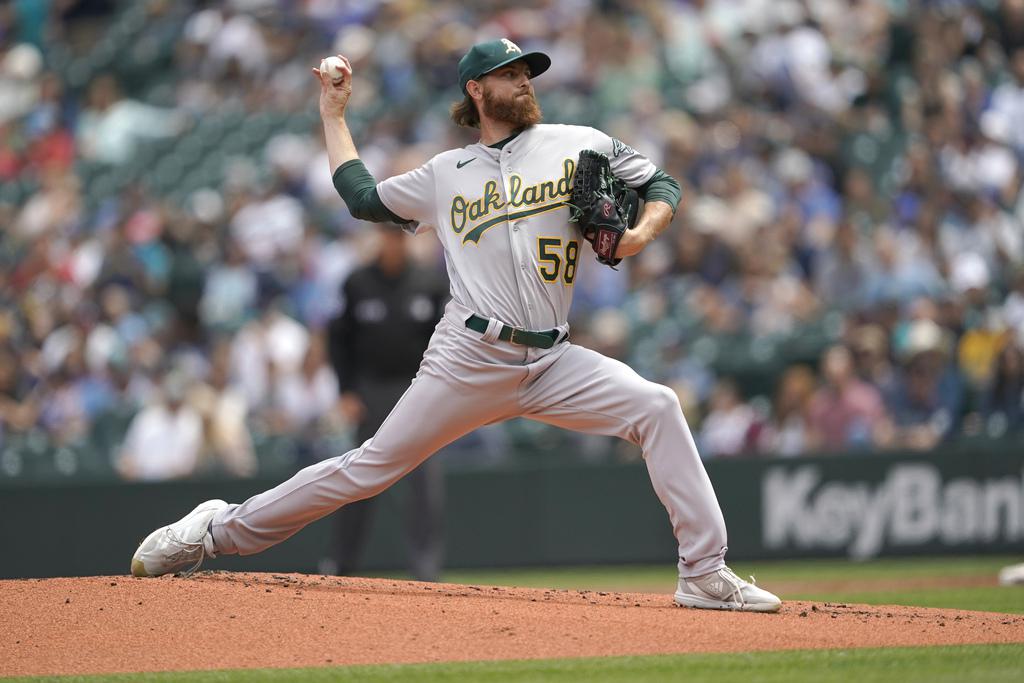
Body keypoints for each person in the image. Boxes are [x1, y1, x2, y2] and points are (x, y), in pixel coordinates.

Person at [131, 39, 781, 612]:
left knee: (658, 406)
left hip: (554, 360)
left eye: (529, 72)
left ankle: (703, 572)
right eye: (510, 73)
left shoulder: (579, 142)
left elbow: (662, 182)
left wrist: (638, 234)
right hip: (467, 356)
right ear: (477, 90)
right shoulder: (447, 173)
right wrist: (333, 116)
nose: (525, 81)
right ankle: (215, 530)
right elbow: (360, 196)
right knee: (368, 469)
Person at [326, 225, 448, 581]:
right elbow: (339, 341)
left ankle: (426, 571)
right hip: (371, 390)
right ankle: (341, 565)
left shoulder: (430, 282)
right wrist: (346, 391)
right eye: (387, 234)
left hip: (416, 389)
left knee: (424, 485)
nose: (392, 241)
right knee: (359, 478)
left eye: (399, 234)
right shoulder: (357, 283)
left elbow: (445, 339)